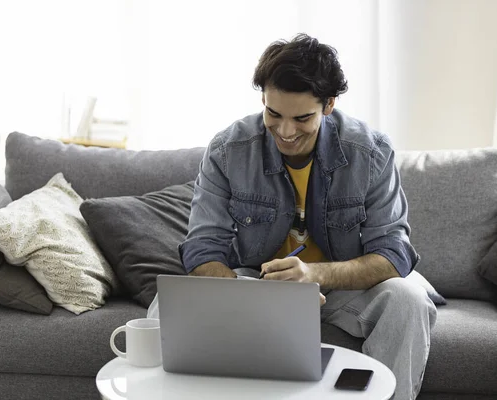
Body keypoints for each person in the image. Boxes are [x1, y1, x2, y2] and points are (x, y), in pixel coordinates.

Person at [178, 33, 437, 400]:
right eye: (273, 114)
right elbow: (203, 249)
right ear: (263, 99)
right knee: (168, 305)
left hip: (339, 289)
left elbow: (393, 253)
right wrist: (256, 301)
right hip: (257, 286)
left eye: (302, 118)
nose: (285, 132)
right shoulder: (227, 150)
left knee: (408, 300)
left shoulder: (371, 152)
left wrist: (313, 274)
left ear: (329, 104)